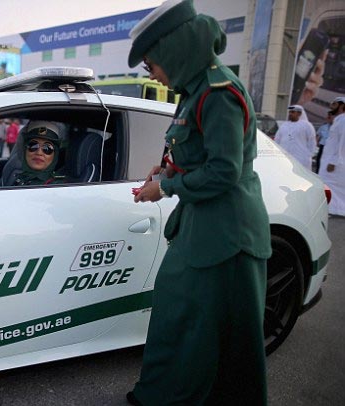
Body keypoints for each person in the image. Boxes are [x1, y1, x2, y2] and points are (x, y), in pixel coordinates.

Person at [126, 1, 272, 405]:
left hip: (228, 234)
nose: (151, 74)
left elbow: (225, 171)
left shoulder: (218, 93)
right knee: (180, 315)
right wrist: (165, 169)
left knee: (221, 334)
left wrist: (166, 187)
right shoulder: (195, 90)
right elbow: (196, 152)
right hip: (203, 225)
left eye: (151, 64)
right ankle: (165, 393)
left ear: (173, 50)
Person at [12, 121, 65, 186]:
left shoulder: (58, 186)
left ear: (55, 155)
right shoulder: (16, 177)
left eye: (47, 148)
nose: (39, 153)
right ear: (25, 150)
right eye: (33, 145)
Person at [319, 96, 345, 216]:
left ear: (341, 106)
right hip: (330, 160)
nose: (331, 106)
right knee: (330, 186)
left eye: (334, 104)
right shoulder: (339, 119)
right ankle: (332, 209)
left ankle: (334, 210)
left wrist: (333, 161)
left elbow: (343, 142)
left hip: (335, 162)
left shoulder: (343, 120)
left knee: (331, 186)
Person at [274, 105, 316, 170]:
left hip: (301, 158)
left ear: (299, 113)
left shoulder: (307, 125)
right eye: (290, 112)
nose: (290, 114)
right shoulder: (284, 125)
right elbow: (277, 140)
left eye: (293, 112)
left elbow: (312, 141)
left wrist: (309, 155)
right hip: (284, 157)